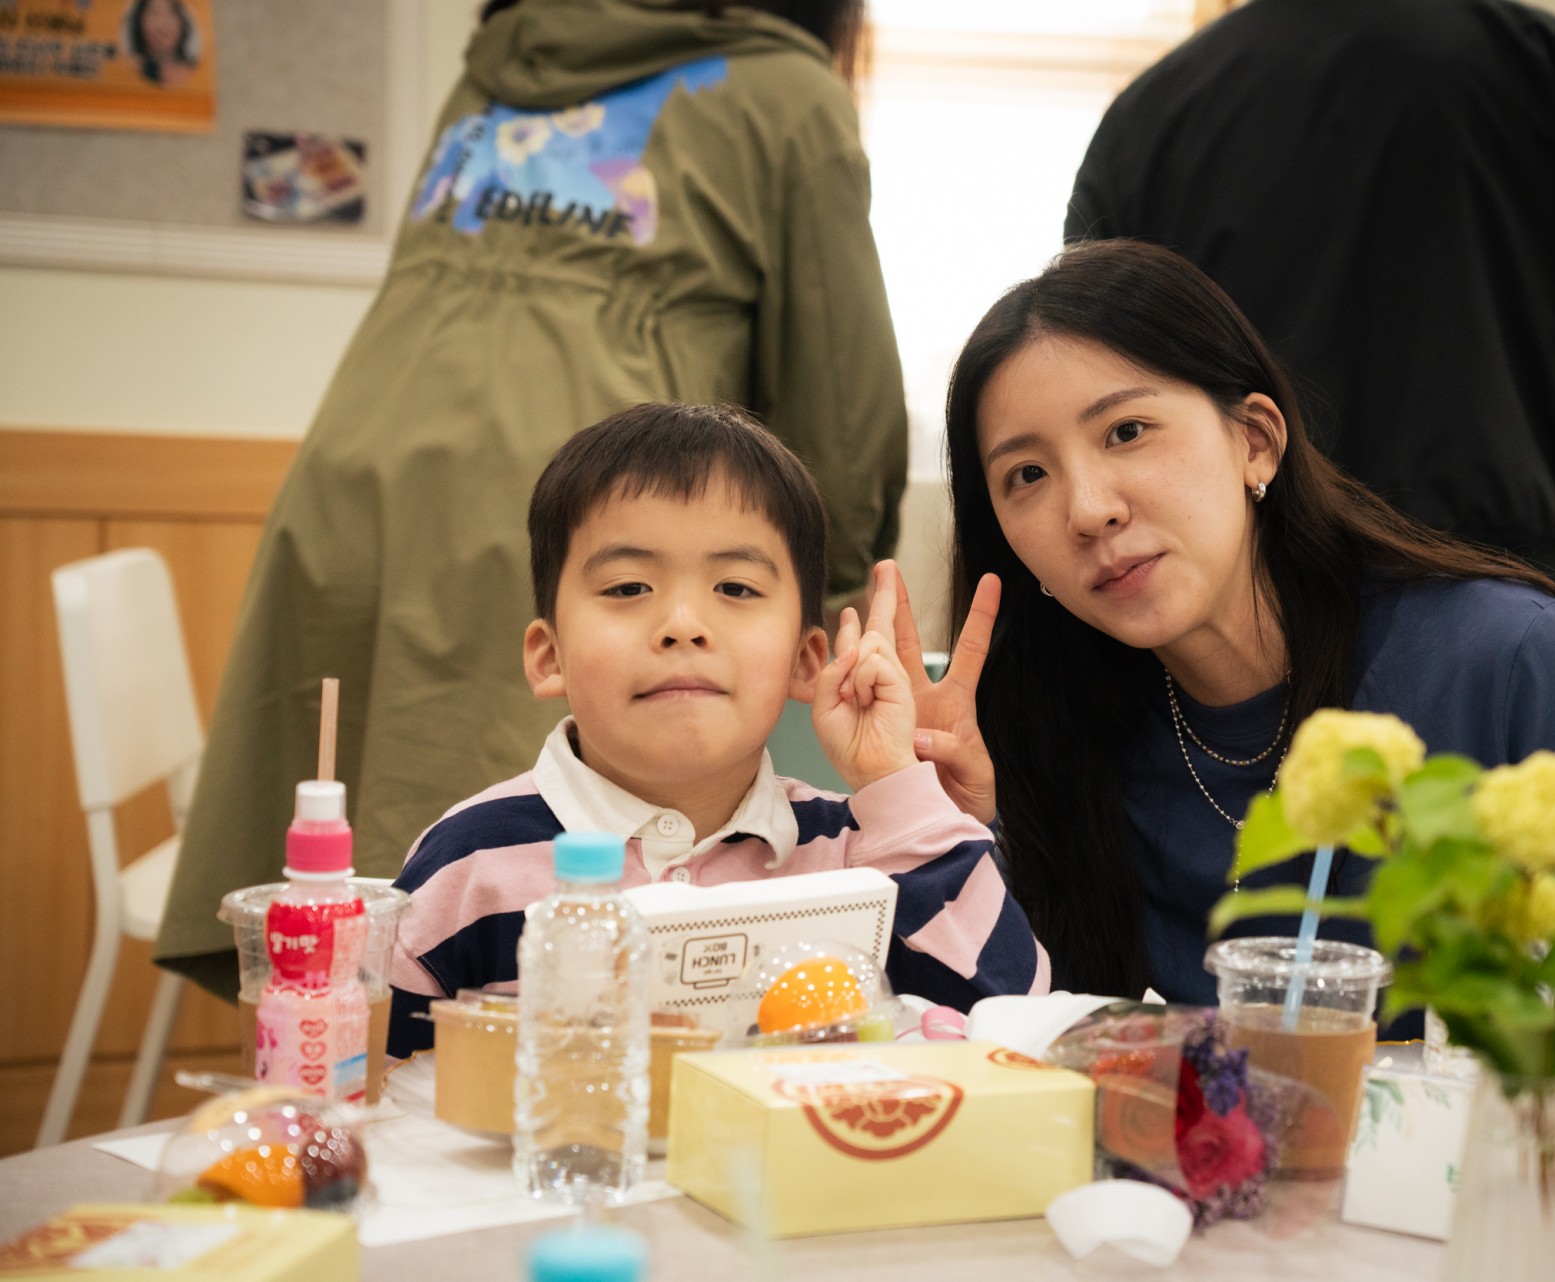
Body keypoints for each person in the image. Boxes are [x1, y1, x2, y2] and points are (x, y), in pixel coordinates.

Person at [158, 0, 909, 995]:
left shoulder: (503, 61)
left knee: (352, 917)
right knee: (522, 894)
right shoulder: (790, 96)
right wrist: (817, 598)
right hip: (577, 495)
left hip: (356, 479)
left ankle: (354, 1071)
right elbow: (844, 411)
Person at [895, 239, 1555, 1010]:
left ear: (1255, 441)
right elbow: (1002, 1062)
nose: (1088, 509)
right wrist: (949, 829)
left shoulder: (1503, 659)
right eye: (1027, 475)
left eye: (1127, 432)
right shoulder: (1043, 733)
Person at [1062, 0, 1555, 607]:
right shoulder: (1541, 64)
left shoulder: (1150, 116)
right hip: (1497, 566)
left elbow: (1093, 380)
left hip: (1257, 586)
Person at [387, 403, 1045, 1057]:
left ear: (805, 662)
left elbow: (1010, 1021)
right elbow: (372, 1086)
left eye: (734, 588)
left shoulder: (858, 852)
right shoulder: (469, 865)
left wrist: (898, 786)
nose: (683, 625)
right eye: (627, 588)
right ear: (548, 655)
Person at [126, 0, 198, 86]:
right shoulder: (131, 68)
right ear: (139, 21)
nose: (163, 22)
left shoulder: (194, 68)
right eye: (155, 13)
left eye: (172, 13)